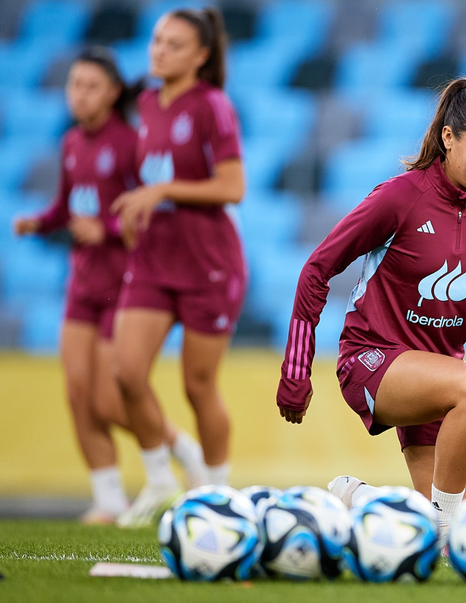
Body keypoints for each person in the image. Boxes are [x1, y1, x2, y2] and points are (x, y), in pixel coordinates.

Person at [276, 78, 466, 537]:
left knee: (462, 541)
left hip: (440, 380)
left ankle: (361, 499)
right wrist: (296, 369)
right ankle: (440, 520)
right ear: (449, 138)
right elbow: (316, 270)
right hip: (372, 361)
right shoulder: (399, 197)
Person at [12, 47, 205, 525]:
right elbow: (67, 205)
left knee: (107, 396)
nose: (79, 95)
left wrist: (109, 230)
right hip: (82, 284)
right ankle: (108, 497)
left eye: (91, 86)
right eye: (74, 85)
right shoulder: (72, 143)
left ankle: (180, 446)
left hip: (124, 284)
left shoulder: (129, 144)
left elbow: (152, 207)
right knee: (77, 392)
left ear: (114, 92)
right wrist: (39, 223)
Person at [111, 7, 247, 528]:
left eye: (172, 44)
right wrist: (131, 207)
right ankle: (161, 479)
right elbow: (140, 175)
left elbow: (232, 188)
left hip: (208, 265)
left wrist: (163, 191)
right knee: (125, 374)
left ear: (201, 56)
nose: (158, 50)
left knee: (198, 386)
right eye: (156, 40)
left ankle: (217, 496)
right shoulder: (143, 103)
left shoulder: (213, 106)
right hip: (151, 260)